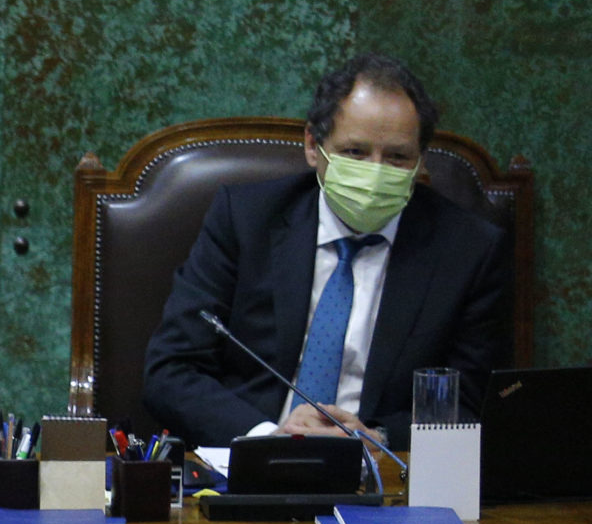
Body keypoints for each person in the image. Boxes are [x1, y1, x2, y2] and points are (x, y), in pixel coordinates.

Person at [143, 53, 510, 449]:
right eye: (355, 152)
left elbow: (469, 405)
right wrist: (267, 438)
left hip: (377, 466)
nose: (375, 172)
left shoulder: (468, 250)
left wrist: (378, 437)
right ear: (313, 146)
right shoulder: (246, 219)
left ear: (420, 162)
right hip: (251, 457)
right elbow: (171, 370)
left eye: (397, 157)